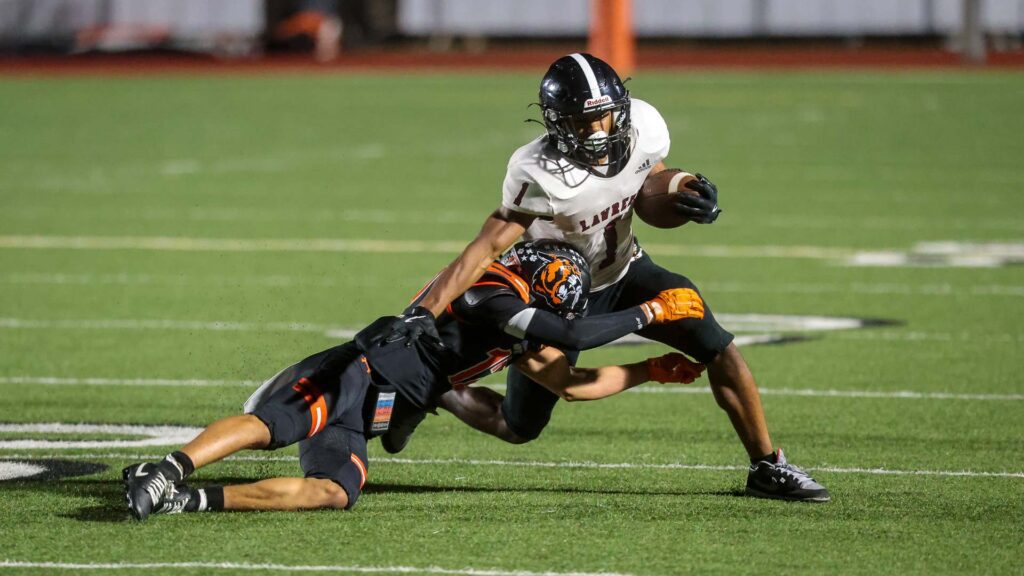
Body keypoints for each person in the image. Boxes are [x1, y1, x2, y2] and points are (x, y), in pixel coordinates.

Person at [375, 53, 830, 502]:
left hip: (627, 270)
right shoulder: (540, 173)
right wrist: (421, 313)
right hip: (558, 296)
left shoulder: (644, 127)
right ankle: (440, 393)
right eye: (581, 122)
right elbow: (486, 247)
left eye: (605, 118)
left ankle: (767, 465)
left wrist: (687, 191)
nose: (597, 132)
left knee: (718, 345)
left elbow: (650, 184)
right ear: (556, 124)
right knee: (518, 427)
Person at [121, 240, 707, 520]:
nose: (562, 323)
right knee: (274, 425)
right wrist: (652, 314)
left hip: (373, 411)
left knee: (337, 491)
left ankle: (187, 501)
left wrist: (650, 371)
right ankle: (166, 469)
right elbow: (575, 338)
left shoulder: (522, 326)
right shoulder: (487, 293)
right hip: (357, 372)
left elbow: (573, 383)